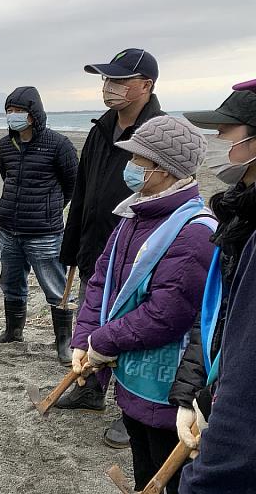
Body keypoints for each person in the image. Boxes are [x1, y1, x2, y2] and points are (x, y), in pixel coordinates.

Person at [71, 115, 213, 494]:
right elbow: (102, 280)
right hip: (131, 372)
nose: (130, 168)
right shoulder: (136, 215)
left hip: (167, 385)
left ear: (165, 169)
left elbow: (166, 312)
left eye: (139, 161)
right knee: (142, 464)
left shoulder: (194, 230)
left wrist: (102, 341)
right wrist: (83, 338)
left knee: (169, 471)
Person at [56, 48, 165, 449]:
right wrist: (73, 247)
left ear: (146, 85)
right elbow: (82, 191)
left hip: (141, 251)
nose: (109, 88)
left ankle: (133, 408)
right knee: (94, 321)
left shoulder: (161, 131)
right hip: (96, 247)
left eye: (119, 80)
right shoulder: (101, 128)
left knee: (135, 331)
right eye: (106, 80)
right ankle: (90, 390)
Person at [178, 80, 256, 492]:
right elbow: (216, 315)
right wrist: (197, 392)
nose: (217, 141)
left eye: (226, 132)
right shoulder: (238, 215)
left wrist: (206, 478)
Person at [0, 86, 78, 364]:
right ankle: (13, 332)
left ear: (34, 113)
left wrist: (49, 210)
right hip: (8, 230)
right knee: (11, 283)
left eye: (19, 111)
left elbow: (72, 185)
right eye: (9, 111)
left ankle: (64, 342)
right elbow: (6, 176)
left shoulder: (59, 144)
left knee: (55, 287)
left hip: (45, 233)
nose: (13, 116)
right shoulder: (4, 145)